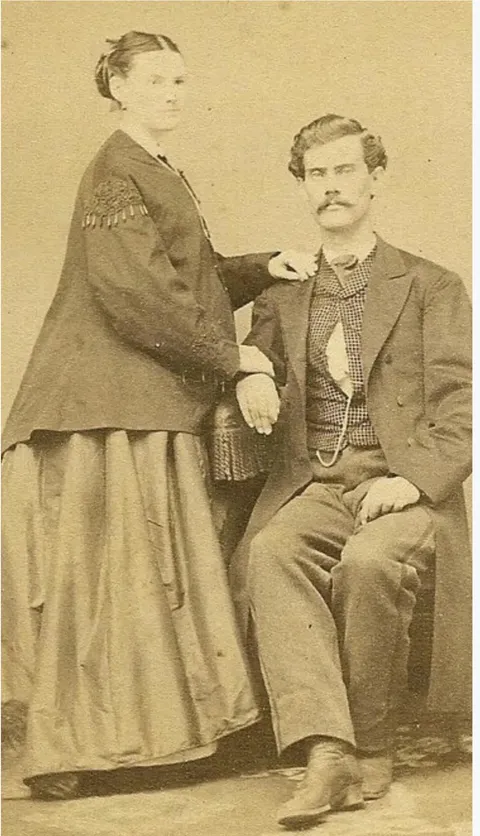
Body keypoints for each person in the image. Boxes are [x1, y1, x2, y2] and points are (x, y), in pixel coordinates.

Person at [1, 31, 316, 800]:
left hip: (139, 395)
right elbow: (132, 291)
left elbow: (184, 274)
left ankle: (158, 739)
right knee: (115, 582)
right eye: (155, 80)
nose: (173, 92)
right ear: (119, 86)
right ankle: (93, 749)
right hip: (107, 402)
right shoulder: (116, 167)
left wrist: (256, 267)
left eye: (180, 79)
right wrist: (234, 356)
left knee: (144, 580)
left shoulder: (154, 166)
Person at [230, 114, 472, 829]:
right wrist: (249, 368)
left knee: (369, 564)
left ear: (374, 179)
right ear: (303, 187)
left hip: (404, 486)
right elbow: (255, 352)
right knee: (273, 551)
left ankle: (373, 742)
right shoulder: (284, 293)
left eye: (343, 171)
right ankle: (328, 750)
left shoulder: (431, 285)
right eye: (316, 175)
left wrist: (412, 480)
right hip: (317, 482)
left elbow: (464, 406)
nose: (330, 188)